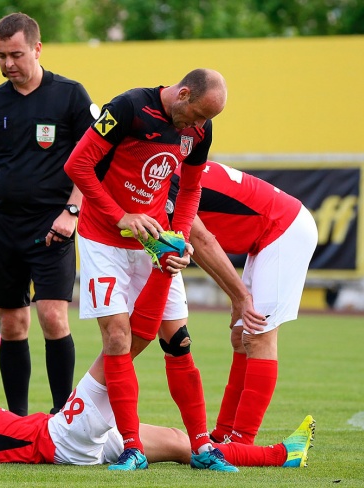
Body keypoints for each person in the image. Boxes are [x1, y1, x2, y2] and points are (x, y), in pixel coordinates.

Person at [64, 68, 233, 471]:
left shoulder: (200, 130)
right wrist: (121, 215)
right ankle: (132, 448)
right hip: (102, 240)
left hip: (153, 241)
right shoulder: (127, 108)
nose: (198, 127)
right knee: (118, 338)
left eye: (205, 122)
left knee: (179, 341)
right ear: (183, 93)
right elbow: (77, 166)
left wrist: (179, 237)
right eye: (195, 116)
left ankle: (203, 447)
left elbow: (191, 188)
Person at [0, 13, 94, 416]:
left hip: (53, 225)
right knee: (12, 324)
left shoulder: (70, 95)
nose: (8, 64)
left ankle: (62, 415)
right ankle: (17, 419)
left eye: (16, 54)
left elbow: (92, 161)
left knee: (51, 315)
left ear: (37, 48)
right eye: (0, 56)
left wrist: (72, 211)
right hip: (2, 226)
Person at [0, 356, 315, 469]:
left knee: (181, 442)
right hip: (58, 437)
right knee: (120, 343)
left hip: (64, 438)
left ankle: (282, 456)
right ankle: (160, 272)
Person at [165, 160, 317, 446]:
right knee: (240, 337)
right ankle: (224, 433)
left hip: (284, 228)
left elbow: (204, 242)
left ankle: (242, 442)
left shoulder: (161, 179)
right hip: (266, 233)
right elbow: (200, 248)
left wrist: (240, 297)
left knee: (258, 336)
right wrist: (236, 296)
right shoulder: (163, 165)